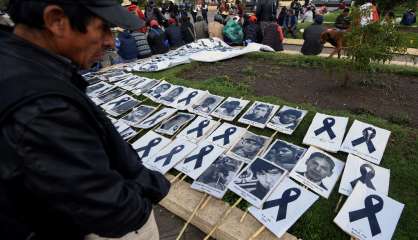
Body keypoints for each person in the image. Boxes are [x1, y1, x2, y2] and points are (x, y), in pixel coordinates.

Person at [0, 0, 170, 239]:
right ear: (56, 21)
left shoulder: (15, 56)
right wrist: (144, 195)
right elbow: (112, 209)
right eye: (103, 27)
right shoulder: (44, 108)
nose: (111, 41)